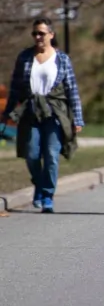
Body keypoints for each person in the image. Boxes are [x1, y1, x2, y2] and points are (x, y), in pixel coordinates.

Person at [0, 18, 84, 213]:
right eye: (35, 33)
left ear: (51, 35)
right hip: (31, 112)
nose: (37, 37)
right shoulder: (25, 57)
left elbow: (72, 90)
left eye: (41, 33)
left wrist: (77, 119)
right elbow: (15, 87)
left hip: (54, 112)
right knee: (31, 154)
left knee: (52, 155)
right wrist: (7, 112)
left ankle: (47, 195)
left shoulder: (62, 59)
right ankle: (39, 184)